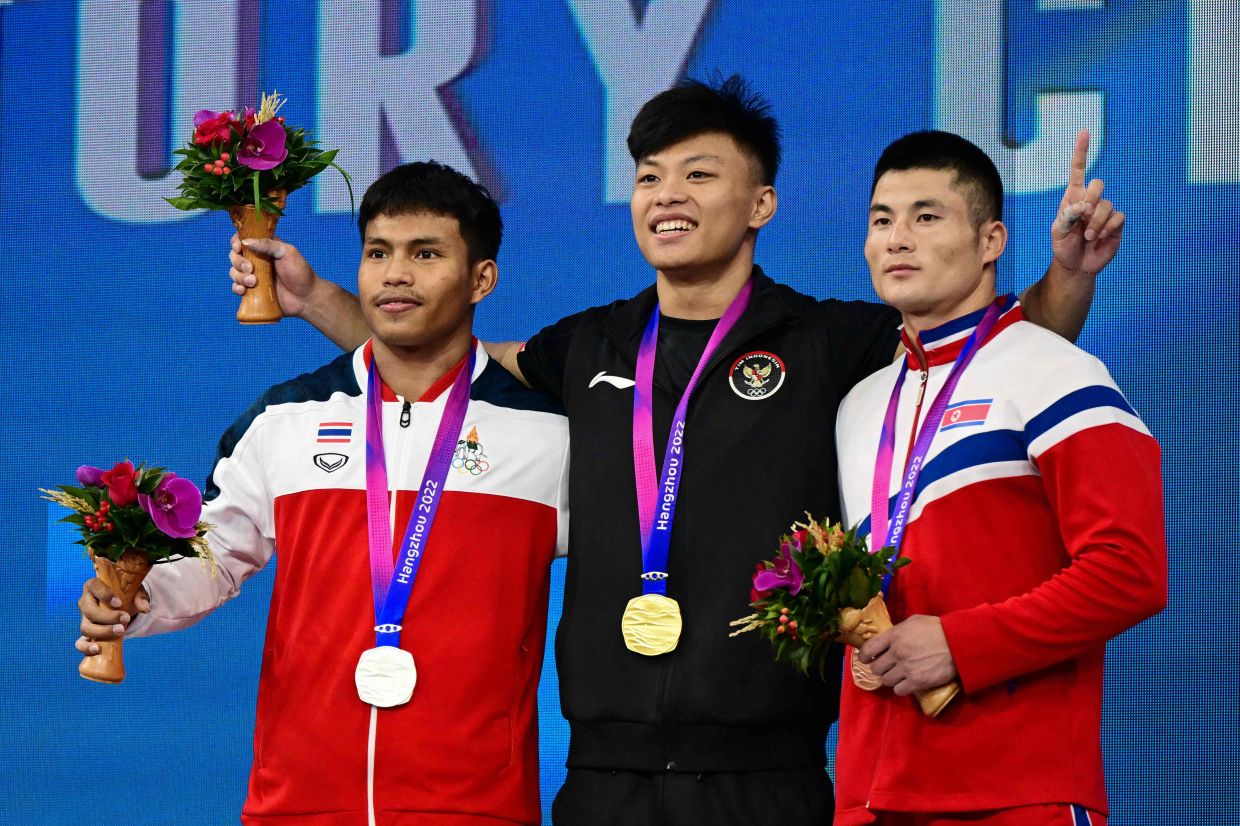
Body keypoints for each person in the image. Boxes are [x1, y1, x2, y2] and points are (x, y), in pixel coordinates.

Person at [226, 77, 1120, 825]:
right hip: (602, 779)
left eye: (700, 174)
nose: (667, 196)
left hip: (768, 777)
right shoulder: (591, 345)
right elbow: (432, 352)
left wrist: (1069, 277)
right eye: (651, 177)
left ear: (761, 202)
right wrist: (317, 299)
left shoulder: (827, 342)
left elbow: (991, 354)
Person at [77, 161, 570, 826]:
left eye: (426, 254)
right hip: (296, 805)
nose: (396, 274)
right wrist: (137, 597)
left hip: (474, 807)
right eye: (378, 253)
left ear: (481, 276)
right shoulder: (285, 417)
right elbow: (215, 555)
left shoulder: (548, 432)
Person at [833, 130, 1166, 825]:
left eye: (927, 217)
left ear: (991, 241)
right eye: (881, 220)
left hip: (1016, 795)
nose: (898, 239)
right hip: (872, 797)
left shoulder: (1055, 371)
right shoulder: (860, 406)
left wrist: (960, 645)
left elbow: (1130, 571)